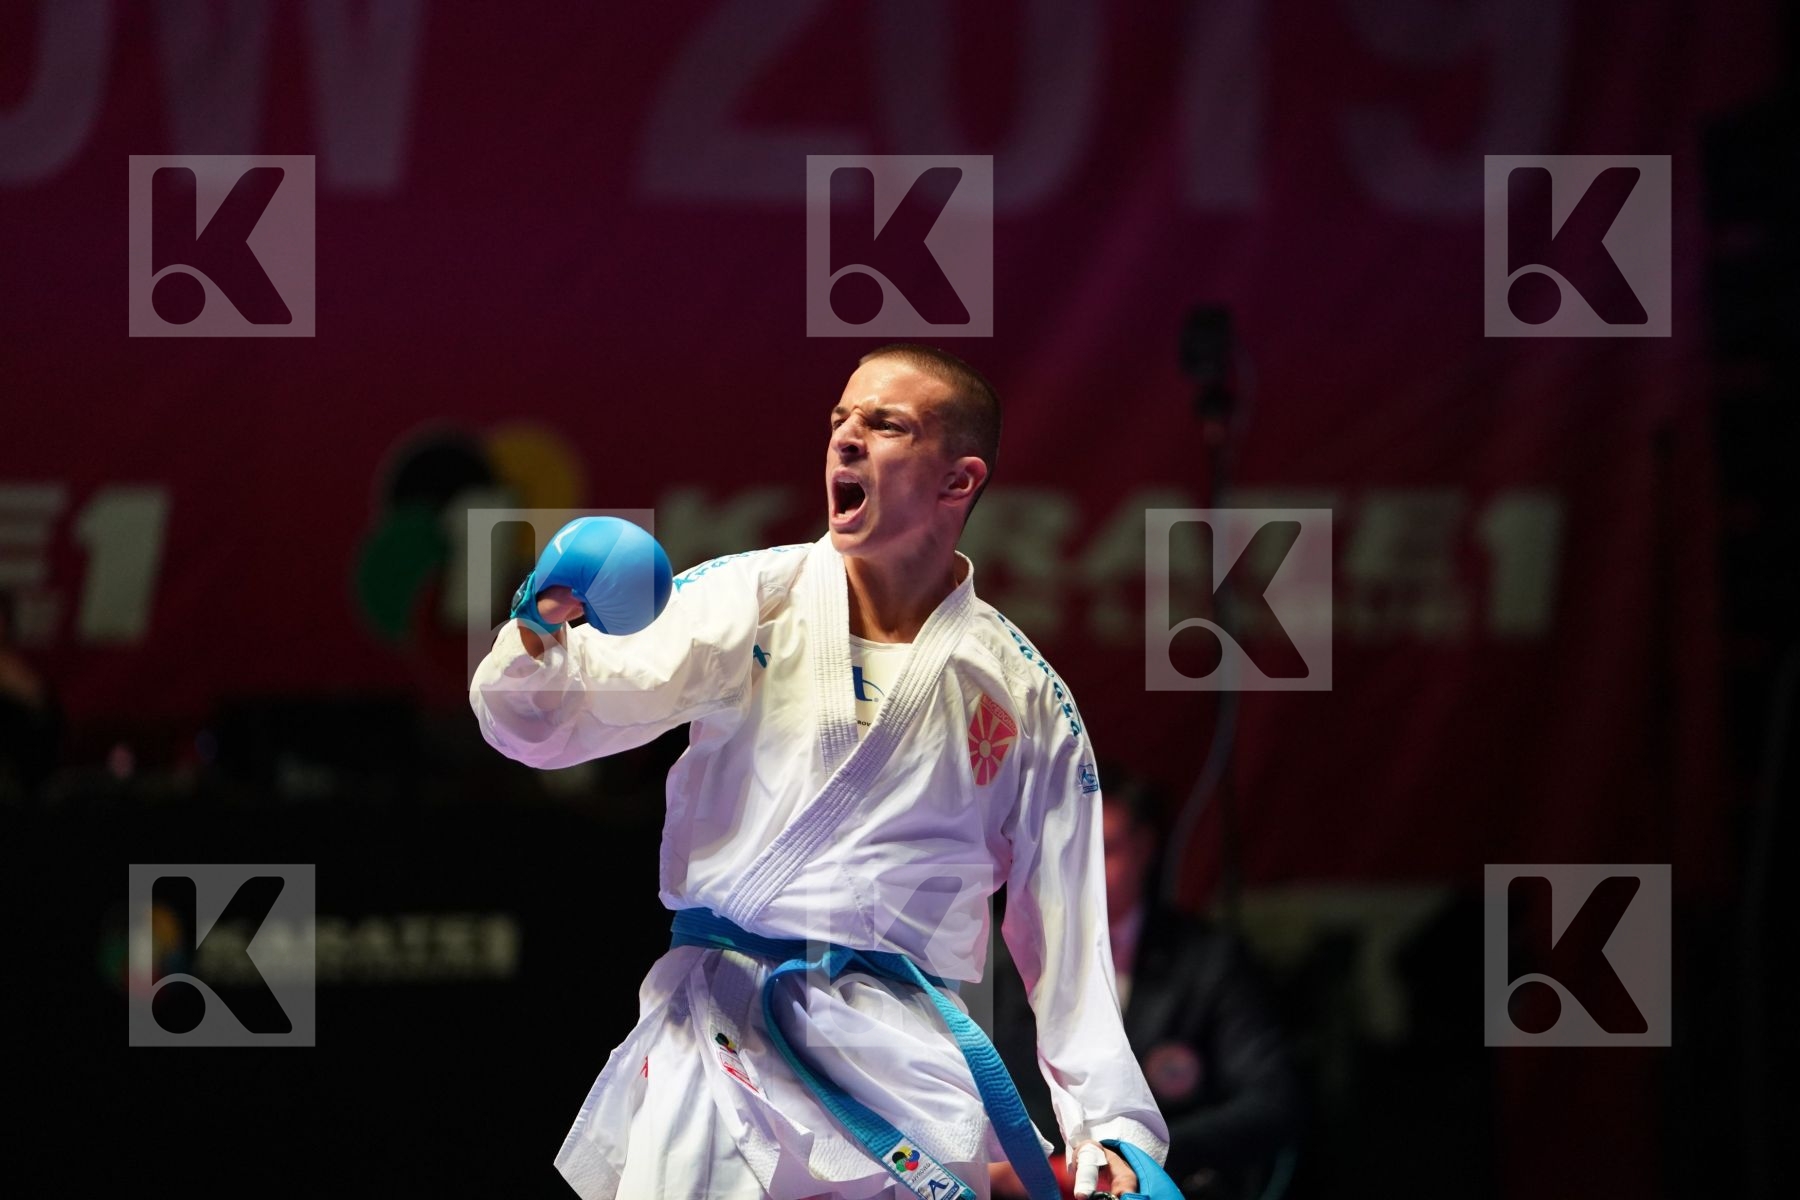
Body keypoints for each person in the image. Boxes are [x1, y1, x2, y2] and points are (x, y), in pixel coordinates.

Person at [470, 345, 1167, 1200]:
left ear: (958, 482)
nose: (846, 439)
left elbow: (1065, 931)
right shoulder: (748, 600)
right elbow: (544, 730)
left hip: (903, 1059)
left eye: (884, 425)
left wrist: (1109, 1127)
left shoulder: (1022, 692)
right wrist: (541, 634)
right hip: (724, 1037)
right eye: (841, 419)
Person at [989, 776, 1302, 1199]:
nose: (1080, 871)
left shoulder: (1208, 960)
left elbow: (1272, 1103)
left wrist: (1136, 1158)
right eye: (1064, 852)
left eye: (1103, 850)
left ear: (1145, 848)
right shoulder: (1001, 955)